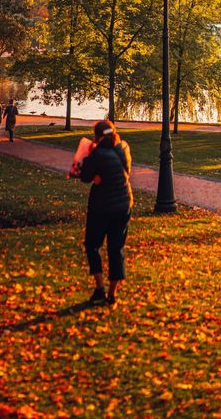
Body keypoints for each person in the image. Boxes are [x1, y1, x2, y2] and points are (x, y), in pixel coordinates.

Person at [75, 119, 133, 306]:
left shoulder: (97, 153)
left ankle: (100, 288)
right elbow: (126, 171)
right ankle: (113, 294)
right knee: (116, 248)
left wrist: (97, 176)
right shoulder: (123, 148)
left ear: (97, 136)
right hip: (124, 204)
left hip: (101, 206)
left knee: (92, 245)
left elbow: (85, 176)